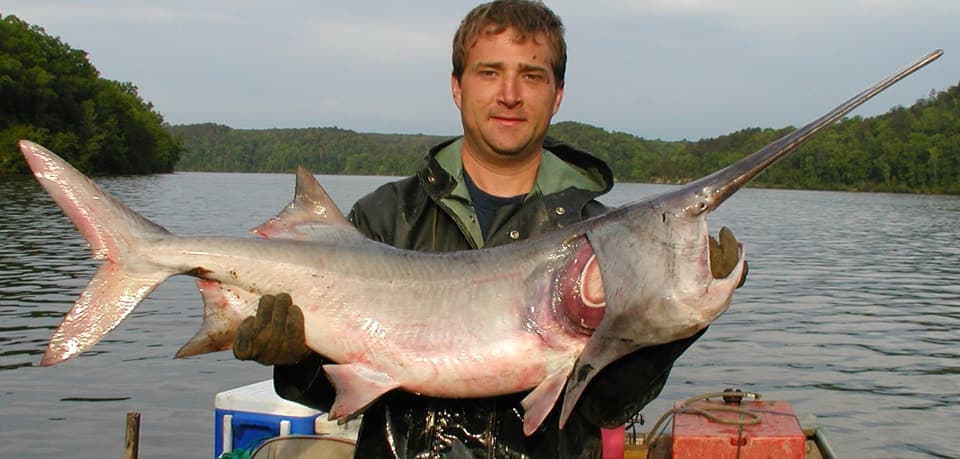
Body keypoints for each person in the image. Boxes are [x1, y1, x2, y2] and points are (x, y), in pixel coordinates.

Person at [233, 1, 744, 457]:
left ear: (558, 94)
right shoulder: (385, 217)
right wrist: (295, 359)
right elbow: (332, 392)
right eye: (489, 72)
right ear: (458, 86)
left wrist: (677, 318)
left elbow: (607, 405)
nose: (509, 94)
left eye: (532, 75)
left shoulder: (596, 238)